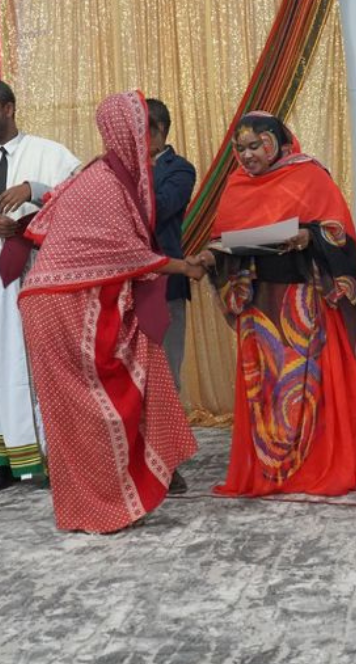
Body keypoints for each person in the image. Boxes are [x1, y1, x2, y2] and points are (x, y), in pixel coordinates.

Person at [17, 90, 200, 533]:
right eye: (139, 128)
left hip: (60, 300)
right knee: (100, 405)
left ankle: (97, 503)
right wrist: (186, 267)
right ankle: (107, 506)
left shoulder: (101, 174)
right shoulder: (108, 183)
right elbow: (125, 253)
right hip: (68, 303)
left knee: (87, 406)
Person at [193, 112, 356, 497]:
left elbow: (338, 233)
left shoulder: (309, 176)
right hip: (258, 310)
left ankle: (318, 467)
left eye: (255, 146)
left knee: (310, 388)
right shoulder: (236, 186)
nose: (247, 156)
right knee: (267, 391)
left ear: (275, 142)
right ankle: (273, 472)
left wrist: (309, 237)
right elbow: (225, 242)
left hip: (304, 304)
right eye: (240, 149)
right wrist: (209, 257)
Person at [0, 79, 80, 492]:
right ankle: (7, 461)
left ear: (9, 108)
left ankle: (51, 457)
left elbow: (79, 197)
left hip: (42, 275)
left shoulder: (49, 153)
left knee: (44, 364)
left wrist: (34, 191)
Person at [146, 97, 197, 495]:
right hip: (124, 287)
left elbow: (158, 209)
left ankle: (167, 463)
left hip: (164, 287)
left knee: (165, 376)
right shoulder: (116, 169)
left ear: (159, 131)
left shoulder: (179, 169)